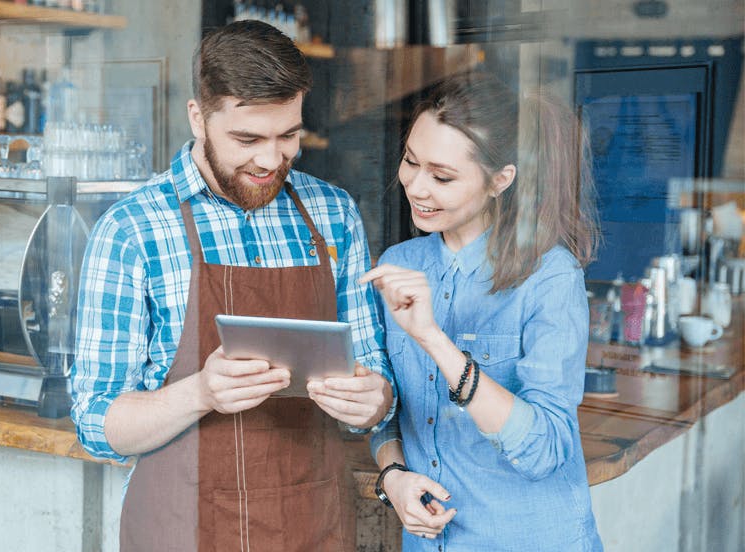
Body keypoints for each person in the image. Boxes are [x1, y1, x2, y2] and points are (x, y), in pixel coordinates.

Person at [70, 20, 395, 551]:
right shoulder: (132, 231)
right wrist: (200, 392)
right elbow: (96, 424)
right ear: (198, 117)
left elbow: (376, 373)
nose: (270, 160)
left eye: (289, 136)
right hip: (181, 530)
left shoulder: (333, 215)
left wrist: (373, 400)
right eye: (247, 139)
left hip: (309, 526)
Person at [361, 72, 604, 551]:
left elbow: (546, 451)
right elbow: (389, 408)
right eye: (411, 162)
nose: (416, 187)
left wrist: (433, 339)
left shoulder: (549, 278)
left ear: (500, 180)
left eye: (443, 176)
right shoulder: (399, 265)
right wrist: (393, 474)